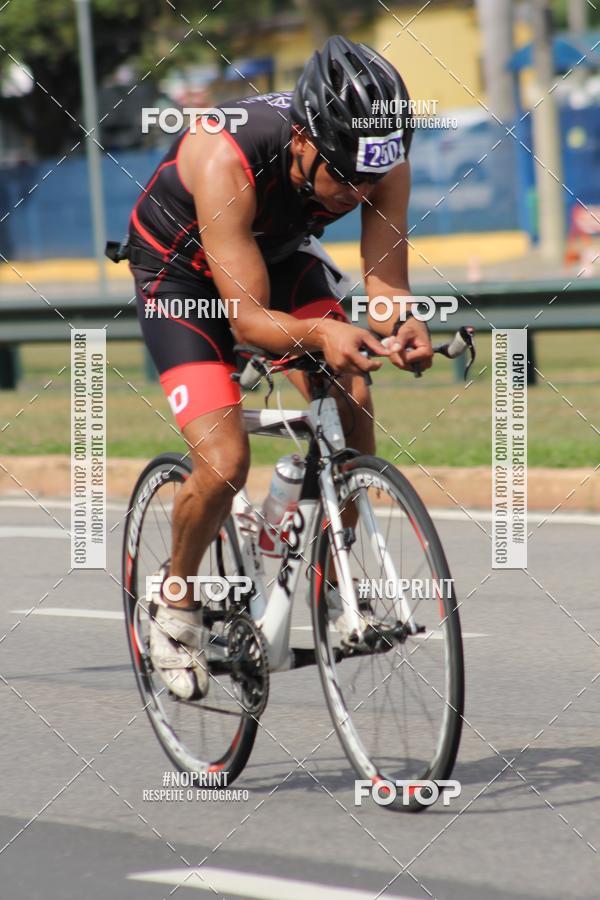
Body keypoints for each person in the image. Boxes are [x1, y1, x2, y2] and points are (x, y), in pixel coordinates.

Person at [125, 35, 433, 699]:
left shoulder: (381, 156)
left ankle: (332, 576)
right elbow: (248, 323)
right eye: (345, 178)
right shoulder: (223, 152)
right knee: (225, 461)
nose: (359, 193)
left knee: (351, 384)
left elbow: (384, 286)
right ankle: (173, 604)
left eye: (371, 179)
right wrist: (325, 332)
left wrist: (399, 325)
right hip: (183, 275)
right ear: (302, 142)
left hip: (278, 252)